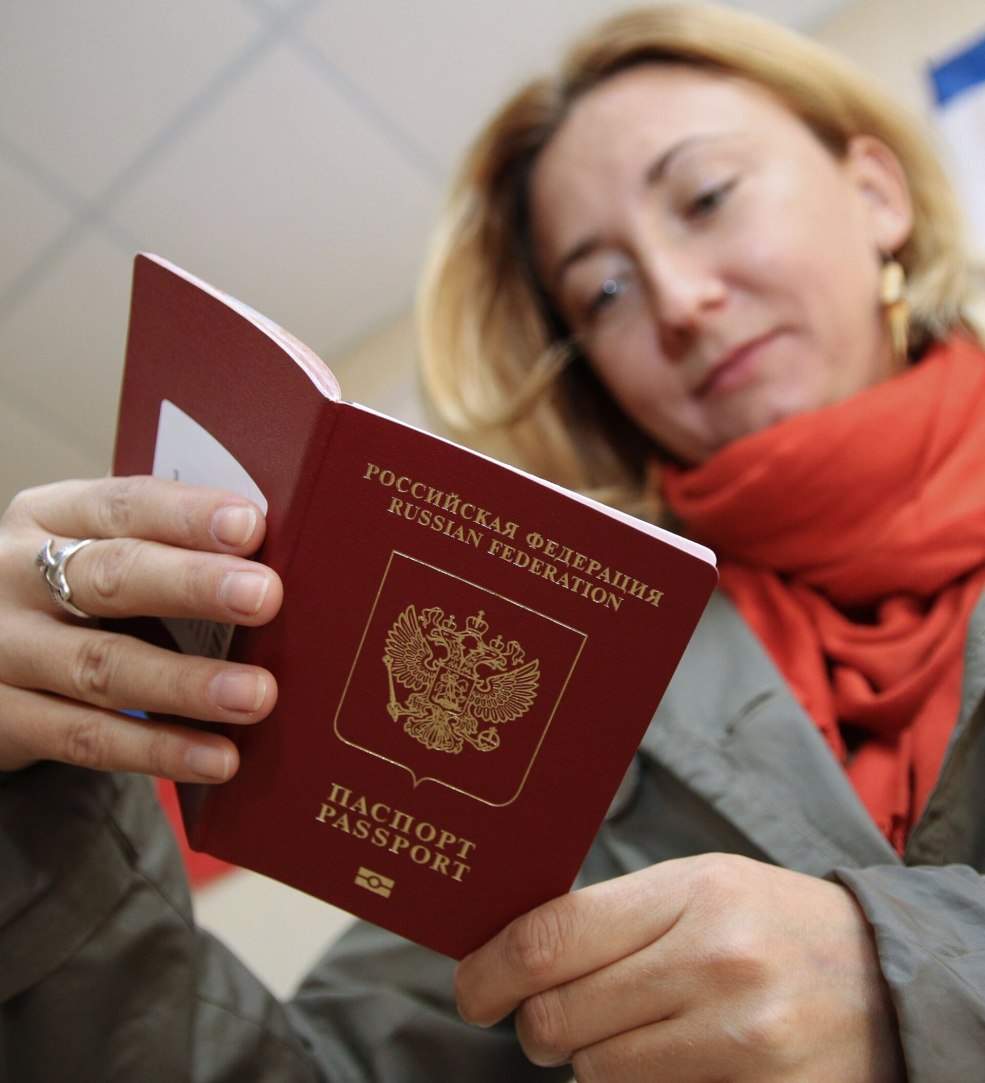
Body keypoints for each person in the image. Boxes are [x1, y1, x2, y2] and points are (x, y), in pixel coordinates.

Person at [2, 3, 984, 1080]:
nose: (676, 299)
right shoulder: (577, 662)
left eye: (705, 198)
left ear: (876, 194)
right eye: (600, 289)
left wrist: (914, 980)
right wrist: (28, 794)